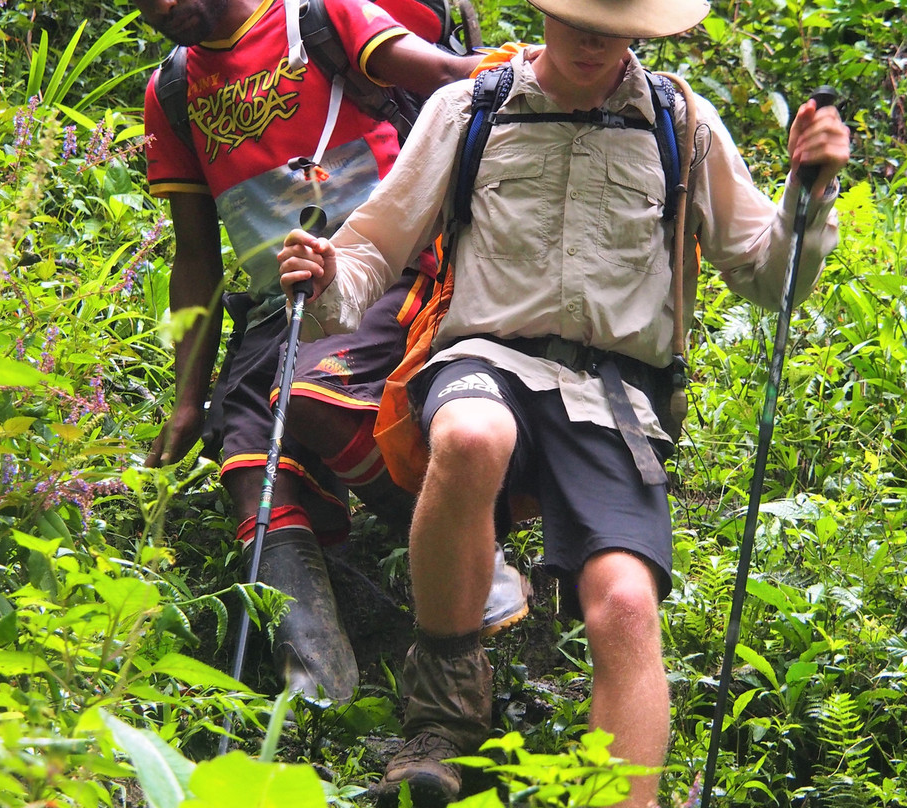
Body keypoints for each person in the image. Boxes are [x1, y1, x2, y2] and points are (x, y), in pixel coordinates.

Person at [277, 0, 851, 804]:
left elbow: (763, 274)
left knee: (623, 602)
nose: (594, 40)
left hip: (613, 392)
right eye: (579, 18)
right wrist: (329, 271)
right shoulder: (469, 105)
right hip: (486, 352)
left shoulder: (682, 121)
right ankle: (442, 719)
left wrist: (808, 192)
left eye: (615, 25)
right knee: (471, 436)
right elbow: (379, 243)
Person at [134, 0, 529, 703]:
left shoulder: (313, 19)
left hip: (388, 269)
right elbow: (195, 253)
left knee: (312, 397)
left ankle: (473, 565)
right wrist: (188, 399)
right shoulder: (171, 90)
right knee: (248, 457)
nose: (157, 11)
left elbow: (441, 73)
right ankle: (315, 680)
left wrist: (532, 70)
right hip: (280, 305)